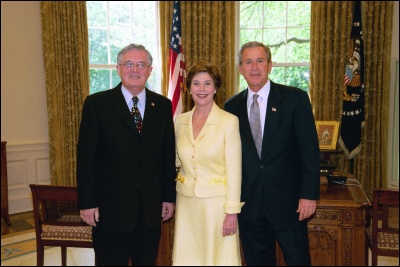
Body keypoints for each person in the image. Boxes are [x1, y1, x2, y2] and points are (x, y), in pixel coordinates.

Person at [77, 43, 176, 266]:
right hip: (109, 210)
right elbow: (86, 158)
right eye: (129, 64)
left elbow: (167, 156)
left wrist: (169, 197)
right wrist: (87, 203)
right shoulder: (97, 104)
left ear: (150, 70)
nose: (135, 70)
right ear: (119, 68)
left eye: (141, 64)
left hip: (150, 210)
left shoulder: (162, 105)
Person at [224, 41, 320, 266]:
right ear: (240, 68)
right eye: (248, 61)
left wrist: (309, 194)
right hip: (250, 205)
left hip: (289, 204)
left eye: (260, 61)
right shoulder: (231, 107)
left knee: (298, 260)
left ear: (270, 65)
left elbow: (309, 151)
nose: (254, 67)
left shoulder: (294, 98)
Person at [172, 60, 244, 266]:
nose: (201, 89)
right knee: (189, 258)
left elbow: (234, 170)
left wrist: (231, 212)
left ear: (215, 88)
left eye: (207, 83)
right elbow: (177, 161)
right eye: (196, 83)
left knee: (219, 259)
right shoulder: (180, 121)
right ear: (188, 88)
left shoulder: (229, 121)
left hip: (217, 206)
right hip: (187, 203)